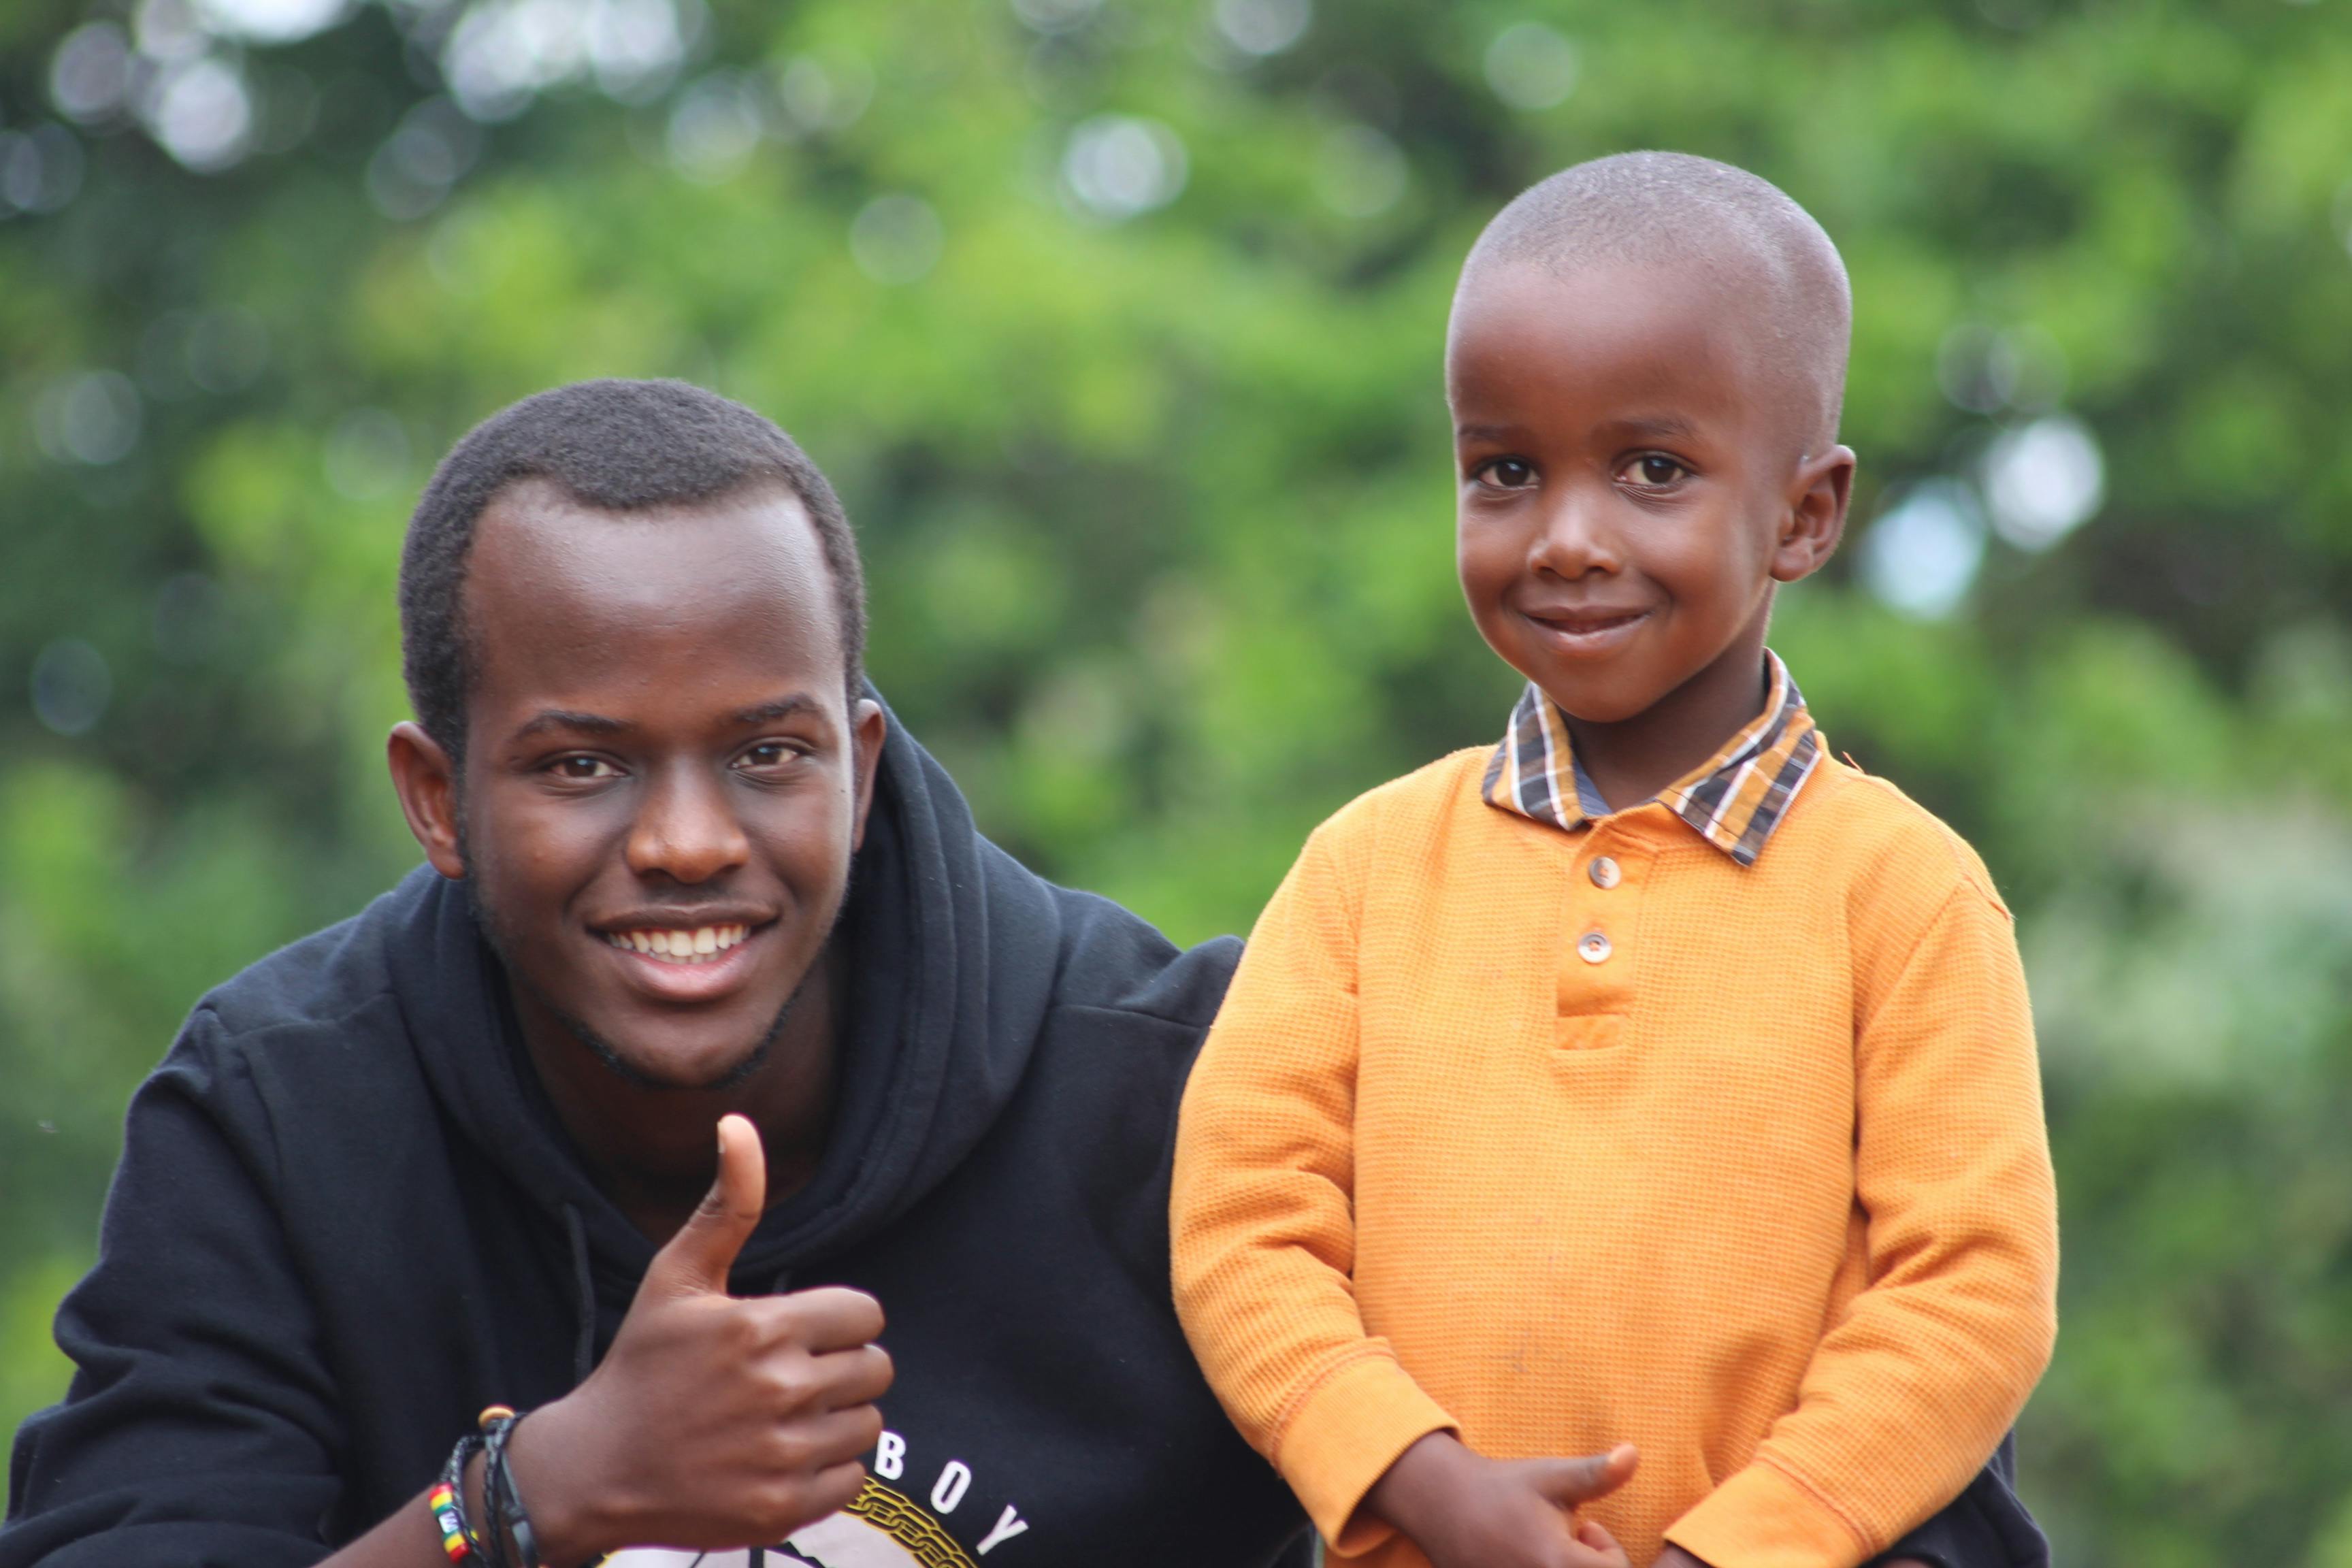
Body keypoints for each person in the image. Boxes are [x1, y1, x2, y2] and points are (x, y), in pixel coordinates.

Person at [2, 380, 1323, 1568]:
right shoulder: (278, 1118)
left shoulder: (1188, 1085)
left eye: (767, 755)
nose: (687, 843)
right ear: (438, 797)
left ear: (859, 770)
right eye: (582, 765)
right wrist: (530, 1502)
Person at [1169, 152, 2061, 1568]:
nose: (1569, 540)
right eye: (1506, 472)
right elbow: (1240, 1230)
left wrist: (1744, 1549)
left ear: (1804, 516)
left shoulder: (1905, 894)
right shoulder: (1365, 871)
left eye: (1653, 470)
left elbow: (1968, 1294)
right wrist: (1415, 1478)